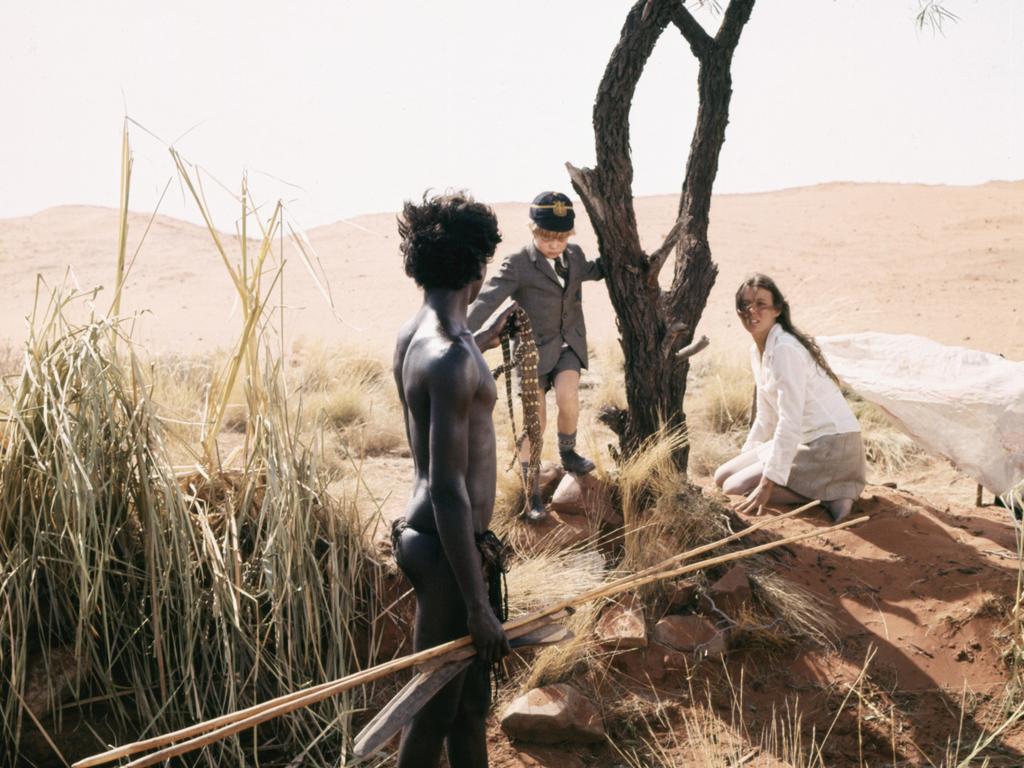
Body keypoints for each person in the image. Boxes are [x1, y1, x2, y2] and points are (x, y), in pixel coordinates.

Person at [392, 191, 514, 768]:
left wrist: (486, 339)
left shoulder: (419, 336)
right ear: (478, 264)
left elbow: (450, 374)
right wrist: (477, 605)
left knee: (468, 709)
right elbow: (447, 489)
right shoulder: (451, 357)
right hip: (449, 552)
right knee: (432, 714)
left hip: (444, 545)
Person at [466, 191, 604, 521]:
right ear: (532, 230)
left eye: (560, 237)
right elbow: (487, 300)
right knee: (535, 421)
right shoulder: (518, 264)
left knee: (570, 399)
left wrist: (625, 262)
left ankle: (568, 453)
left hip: (569, 344)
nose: (553, 245)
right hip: (531, 354)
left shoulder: (574, 255)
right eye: (546, 237)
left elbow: (593, 270)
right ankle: (532, 494)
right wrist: (459, 330)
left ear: (569, 235)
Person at [714, 274, 867, 522]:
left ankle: (831, 492)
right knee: (722, 476)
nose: (751, 311)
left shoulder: (785, 348)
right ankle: (824, 488)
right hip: (804, 441)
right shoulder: (758, 350)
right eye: (744, 305)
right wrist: (745, 457)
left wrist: (766, 485)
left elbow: (789, 420)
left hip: (832, 446)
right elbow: (766, 418)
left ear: (777, 309)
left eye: (761, 304)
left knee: (734, 487)